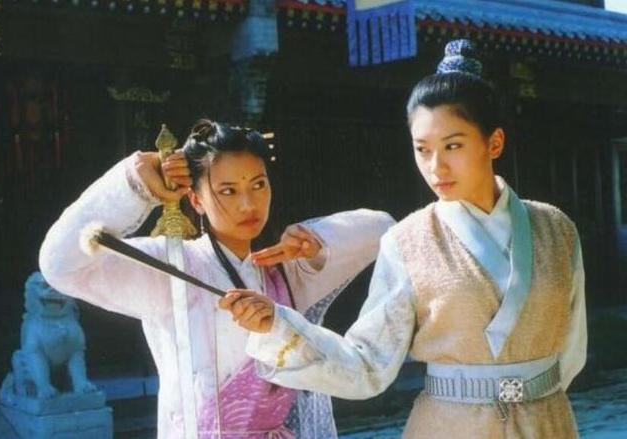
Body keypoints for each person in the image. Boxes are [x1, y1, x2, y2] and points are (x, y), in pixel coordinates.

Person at [223, 40, 587, 438]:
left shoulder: (556, 229)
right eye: (422, 149)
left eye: (453, 146)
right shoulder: (409, 241)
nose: (436, 167)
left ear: (493, 142)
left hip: (547, 422)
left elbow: (571, 352)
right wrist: (278, 325)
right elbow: (368, 363)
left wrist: (534, 395)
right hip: (449, 427)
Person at [39, 119, 394, 438]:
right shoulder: (175, 266)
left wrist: (316, 240)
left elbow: (385, 230)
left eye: (258, 185)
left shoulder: (285, 271)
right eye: (228, 191)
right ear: (196, 200)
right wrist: (133, 184)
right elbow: (59, 266)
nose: (248, 204)